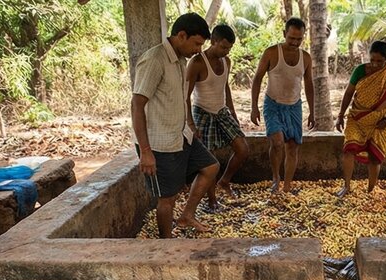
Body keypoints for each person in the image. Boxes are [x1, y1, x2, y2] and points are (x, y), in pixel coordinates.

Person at [131, 12, 219, 238]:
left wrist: (189, 123)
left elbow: (180, 99)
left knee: (210, 167)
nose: (199, 50)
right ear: (181, 35)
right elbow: (137, 104)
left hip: (181, 135)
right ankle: (166, 244)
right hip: (159, 143)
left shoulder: (180, 60)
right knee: (167, 198)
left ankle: (186, 216)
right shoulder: (154, 59)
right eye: (197, 43)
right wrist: (146, 152)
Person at [184, 23, 248, 208]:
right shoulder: (196, 63)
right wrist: (191, 123)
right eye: (223, 47)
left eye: (229, 48)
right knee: (210, 161)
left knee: (243, 149)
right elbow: (185, 96)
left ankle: (225, 181)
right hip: (202, 112)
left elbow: (225, 87)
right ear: (213, 41)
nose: (226, 52)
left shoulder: (226, 62)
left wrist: (233, 113)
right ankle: (212, 200)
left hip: (221, 111)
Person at [250, 17, 316, 194]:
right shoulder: (271, 53)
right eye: (291, 38)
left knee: (293, 146)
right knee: (277, 142)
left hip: (294, 105)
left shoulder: (306, 58)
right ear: (284, 34)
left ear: (304, 37)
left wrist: (312, 111)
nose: (295, 42)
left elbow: (309, 85)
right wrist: (254, 106)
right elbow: (257, 79)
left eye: (299, 39)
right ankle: (275, 177)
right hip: (272, 104)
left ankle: (287, 185)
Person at [335, 40, 386, 197]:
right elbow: (348, 93)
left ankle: (371, 189)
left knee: (375, 155)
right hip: (357, 117)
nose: (375, 64)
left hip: (379, 120)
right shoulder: (360, 70)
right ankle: (346, 186)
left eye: (379, 61)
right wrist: (340, 116)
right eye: (372, 60)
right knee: (349, 149)